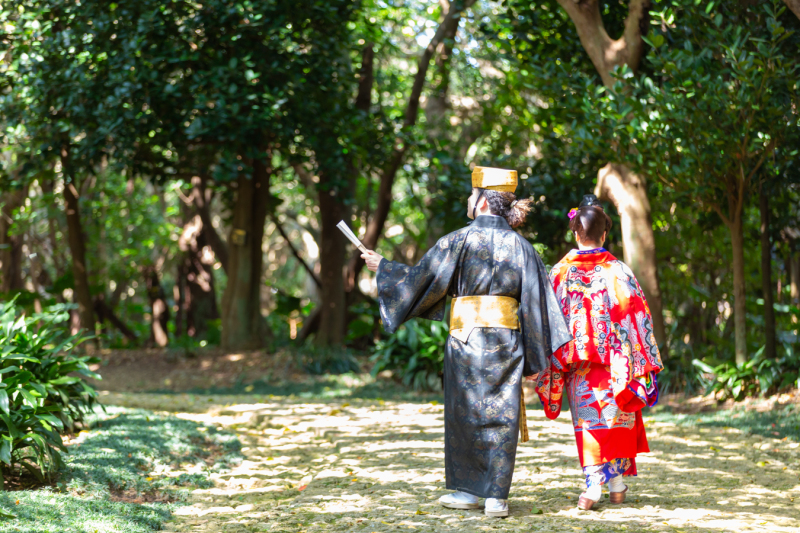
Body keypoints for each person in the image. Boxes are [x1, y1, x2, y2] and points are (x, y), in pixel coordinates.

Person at [361, 166, 572, 518]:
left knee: (467, 411)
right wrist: (537, 358)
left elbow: (420, 280)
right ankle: (495, 498)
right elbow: (538, 304)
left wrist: (384, 266)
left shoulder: (458, 240)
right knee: (502, 415)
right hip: (508, 340)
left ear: (484, 201)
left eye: (472, 195)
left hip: (465, 338)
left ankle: (469, 492)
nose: (468, 200)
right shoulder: (523, 247)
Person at [533, 194, 663, 511]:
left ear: (576, 232)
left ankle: (593, 487)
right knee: (618, 422)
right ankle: (616, 485)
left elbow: (549, 322)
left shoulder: (560, 273)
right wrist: (636, 363)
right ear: (604, 234)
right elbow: (638, 316)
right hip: (618, 370)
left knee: (589, 425)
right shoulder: (620, 271)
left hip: (581, 371)